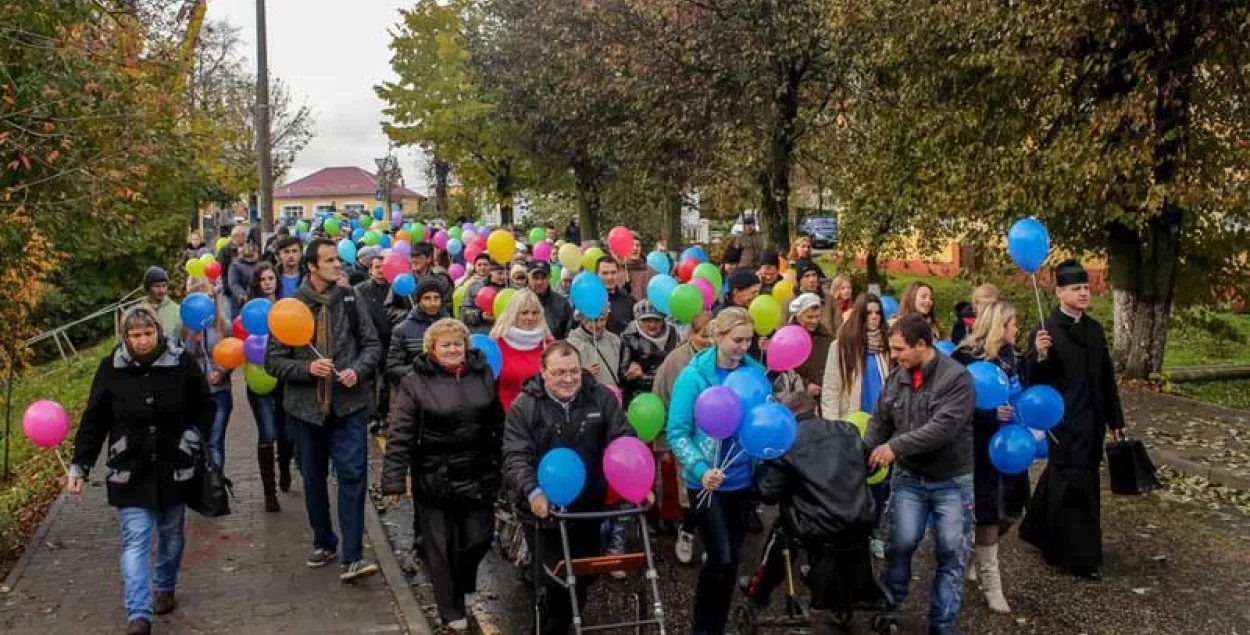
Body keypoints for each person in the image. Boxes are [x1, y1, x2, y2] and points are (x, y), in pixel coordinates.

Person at [67, 307, 213, 635]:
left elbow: (205, 404)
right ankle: (138, 613)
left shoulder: (181, 363)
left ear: (158, 333)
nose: (143, 341)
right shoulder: (111, 369)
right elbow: (94, 421)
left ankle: (165, 586)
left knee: (172, 535)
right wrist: (80, 466)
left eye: (148, 333)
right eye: (135, 335)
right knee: (136, 541)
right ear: (125, 338)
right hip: (129, 470)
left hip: (174, 466)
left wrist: (193, 436)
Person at [265, 237, 383, 581]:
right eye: (329, 260)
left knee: (352, 476)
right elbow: (273, 361)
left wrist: (357, 370)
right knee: (314, 478)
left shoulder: (351, 298)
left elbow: (372, 345)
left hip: (349, 406)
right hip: (305, 411)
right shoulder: (290, 306)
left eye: (338, 260)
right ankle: (324, 540)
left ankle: (354, 557)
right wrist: (306, 370)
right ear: (312, 267)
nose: (337, 265)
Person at [502, 341, 634, 635]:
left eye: (574, 371)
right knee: (556, 580)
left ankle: (566, 618)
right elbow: (516, 456)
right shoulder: (524, 407)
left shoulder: (600, 398)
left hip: (588, 506)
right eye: (559, 372)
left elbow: (623, 438)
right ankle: (555, 626)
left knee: (584, 574)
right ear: (544, 373)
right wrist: (533, 491)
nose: (569, 379)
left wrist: (637, 482)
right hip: (542, 509)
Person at [384, 319, 504, 633]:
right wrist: (394, 479)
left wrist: (504, 464)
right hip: (433, 477)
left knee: (478, 538)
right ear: (432, 349)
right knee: (441, 547)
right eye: (446, 344)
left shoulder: (483, 373)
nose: (453, 350)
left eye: (457, 344)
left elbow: (498, 423)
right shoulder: (415, 382)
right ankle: (451, 610)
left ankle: (463, 580)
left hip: (478, 472)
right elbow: (400, 432)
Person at [864, 313, 975, 635]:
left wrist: (895, 448)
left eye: (899, 349)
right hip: (910, 478)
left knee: (951, 552)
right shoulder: (896, 377)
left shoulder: (956, 379)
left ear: (922, 345)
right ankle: (890, 605)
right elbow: (880, 420)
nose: (893, 356)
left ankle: (942, 624)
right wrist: (861, 454)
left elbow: (943, 428)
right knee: (900, 543)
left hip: (952, 480)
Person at [1019, 259, 1125, 581]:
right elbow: (1033, 382)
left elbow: (1106, 378)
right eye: (1076, 288)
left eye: (1086, 287)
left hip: (1092, 422)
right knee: (1075, 486)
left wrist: (1115, 417)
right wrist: (1038, 355)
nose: (1083, 293)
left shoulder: (1093, 330)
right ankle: (1078, 555)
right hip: (1063, 423)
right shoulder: (1045, 332)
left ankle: (1040, 530)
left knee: (1068, 480)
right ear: (1059, 291)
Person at [667, 308, 768, 635]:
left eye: (748, 340)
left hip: (742, 481)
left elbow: (764, 421)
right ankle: (703, 628)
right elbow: (677, 432)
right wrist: (699, 468)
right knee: (720, 558)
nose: (743, 346)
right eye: (737, 340)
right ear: (717, 337)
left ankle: (716, 625)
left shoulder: (756, 373)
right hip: (706, 485)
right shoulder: (693, 376)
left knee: (732, 560)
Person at [746, 391, 877, 621]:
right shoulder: (848, 431)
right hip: (859, 516)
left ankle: (758, 593)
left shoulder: (786, 441)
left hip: (814, 524)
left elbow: (767, 493)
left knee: (781, 535)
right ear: (815, 409)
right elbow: (869, 468)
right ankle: (852, 588)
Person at [951, 301, 1024, 613]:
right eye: (1013, 325)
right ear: (999, 326)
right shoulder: (964, 358)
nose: (1017, 330)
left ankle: (974, 555)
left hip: (1010, 447)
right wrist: (990, 414)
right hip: (978, 449)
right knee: (988, 512)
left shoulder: (1011, 358)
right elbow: (953, 409)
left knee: (1014, 509)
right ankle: (992, 584)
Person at [821, 293, 891, 556]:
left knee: (879, 481)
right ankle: (847, 533)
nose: (874, 318)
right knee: (851, 482)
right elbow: (830, 390)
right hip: (851, 422)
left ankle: (875, 531)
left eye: (878, 314)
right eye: (869, 313)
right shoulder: (841, 346)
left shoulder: (886, 347)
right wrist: (832, 428)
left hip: (880, 424)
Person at [652, 311, 713, 564]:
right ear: (691, 334)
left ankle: (710, 535)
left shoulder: (723, 360)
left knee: (713, 490)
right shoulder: (675, 361)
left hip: (715, 437)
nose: (708, 341)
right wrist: (662, 442)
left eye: (713, 336)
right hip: (685, 436)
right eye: (703, 335)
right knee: (688, 489)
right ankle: (686, 532)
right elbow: (660, 399)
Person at [247, 263, 295, 504]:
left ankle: (285, 468)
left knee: (286, 435)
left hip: (283, 378)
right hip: (258, 380)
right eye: (262, 279)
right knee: (267, 432)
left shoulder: (286, 307)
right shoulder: (249, 310)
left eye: (271, 278)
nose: (267, 282)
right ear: (257, 283)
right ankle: (269, 493)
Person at [183, 280, 233, 470]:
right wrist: (192, 339)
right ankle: (200, 484)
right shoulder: (184, 327)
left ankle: (216, 485)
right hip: (195, 393)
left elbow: (233, 354)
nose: (207, 302)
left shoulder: (223, 326)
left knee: (215, 440)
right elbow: (182, 358)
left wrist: (222, 371)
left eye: (211, 297)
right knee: (198, 440)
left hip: (219, 391)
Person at [490, 288, 552, 411]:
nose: (530, 317)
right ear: (513, 314)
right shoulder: (497, 343)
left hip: (542, 416)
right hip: (507, 416)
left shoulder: (548, 343)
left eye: (535, 313)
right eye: (524, 312)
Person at [355, 251, 394, 435]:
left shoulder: (395, 288)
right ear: (370, 270)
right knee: (369, 380)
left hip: (390, 341)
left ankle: (384, 414)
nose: (380, 271)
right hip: (369, 341)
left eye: (383, 267)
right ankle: (372, 416)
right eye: (376, 267)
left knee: (386, 381)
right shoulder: (360, 290)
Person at [385, 276, 450, 385]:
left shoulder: (451, 326)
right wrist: (420, 369)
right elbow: (393, 369)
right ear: (418, 301)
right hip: (418, 391)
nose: (433, 303)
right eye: (427, 298)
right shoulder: (402, 330)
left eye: (436, 297)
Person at [619, 300, 679, 404]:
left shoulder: (673, 333)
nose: (652, 325)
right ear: (638, 320)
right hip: (642, 397)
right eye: (646, 320)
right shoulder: (629, 336)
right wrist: (636, 375)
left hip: (669, 392)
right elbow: (624, 374)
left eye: (657, 320)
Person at [788, 293, 831, 400]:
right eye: (809, 317)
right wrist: (805, 385)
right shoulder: (787, 338)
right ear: (798, 315)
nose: (814, 321)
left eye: (817, 316)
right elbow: (784, 371)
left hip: (824, 396)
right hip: (798, 397)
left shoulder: (826, 337)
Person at [566, 310, 621, 389]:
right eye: (593, 320)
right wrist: (583, 373)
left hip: (613, 397)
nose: (598, 325)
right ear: (583, 320)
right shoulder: (571, 344)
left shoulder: (614, 340)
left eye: (602, 320)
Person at [527, 261, 574, 341]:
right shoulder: (519, 301)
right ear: (528, 278)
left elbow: (568, 335)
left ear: (549, 278)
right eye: (535, 277)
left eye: (543, 277)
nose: (539, 282)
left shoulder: (562, 303)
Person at [463, 259, 508, 334]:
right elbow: (464, 313)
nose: (504, 277)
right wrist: (480, 315)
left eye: (507, 273)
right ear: (491, 272)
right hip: (484, 333)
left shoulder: (513, 288)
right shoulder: (475, 288)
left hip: (506, 334)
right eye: (499, 273)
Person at [139, 267, 181, 337]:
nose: (161, 290)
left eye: (164, 286)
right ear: (148, 288)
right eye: (157, 286)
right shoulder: (139, 312)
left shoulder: (178, 311)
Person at [596, 257, 635, 335]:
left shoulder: (629, 301)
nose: (610, 277)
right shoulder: (587, 301)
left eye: (613, 272)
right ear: (596, 275)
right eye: (605, 273)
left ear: (618, 273)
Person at [227, 239, 261, 316]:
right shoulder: (235, 266)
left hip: (258, 302)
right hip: (242, 304)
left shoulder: (260, 265)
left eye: (254, 252)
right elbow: (234, 284)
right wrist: (241, 294)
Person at [216, 224, 248, 299]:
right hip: (231, 291)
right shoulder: (225, 251)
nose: (246, 238)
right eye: (244, 235)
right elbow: (222, 270)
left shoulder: (249, 247)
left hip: (247, 289)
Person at [625, 237, 653, 302]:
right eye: (631, 245)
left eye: (638, 245)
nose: (635, 248)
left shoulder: (651, 272)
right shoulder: (615, 271)